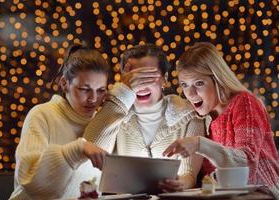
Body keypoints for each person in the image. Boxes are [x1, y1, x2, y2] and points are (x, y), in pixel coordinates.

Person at [163, 42, 279, 198]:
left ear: (217, 79)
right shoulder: (202, 117)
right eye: (184, 84)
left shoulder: (244, 102)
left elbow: (247, 163)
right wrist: (178, 183)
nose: (189, 93)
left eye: (198, 83)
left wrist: (199, 143)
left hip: (263, 191)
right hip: (222, 194)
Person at [83, 44, 205, 192]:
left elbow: (188, 174)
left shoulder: (189, 115)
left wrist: (179, 183)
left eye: (149, 76)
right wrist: (122, 93)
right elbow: (88, 152)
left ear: (164, 79)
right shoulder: (113, 112)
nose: (141, 85)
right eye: (134, 78)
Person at [10, 44, 110, 199]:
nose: (93, 99)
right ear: (64, 84)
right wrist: (78, 148)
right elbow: (30, 181)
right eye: (84, 89)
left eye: (101, 90)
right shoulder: (41, 115)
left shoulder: (102, 123)